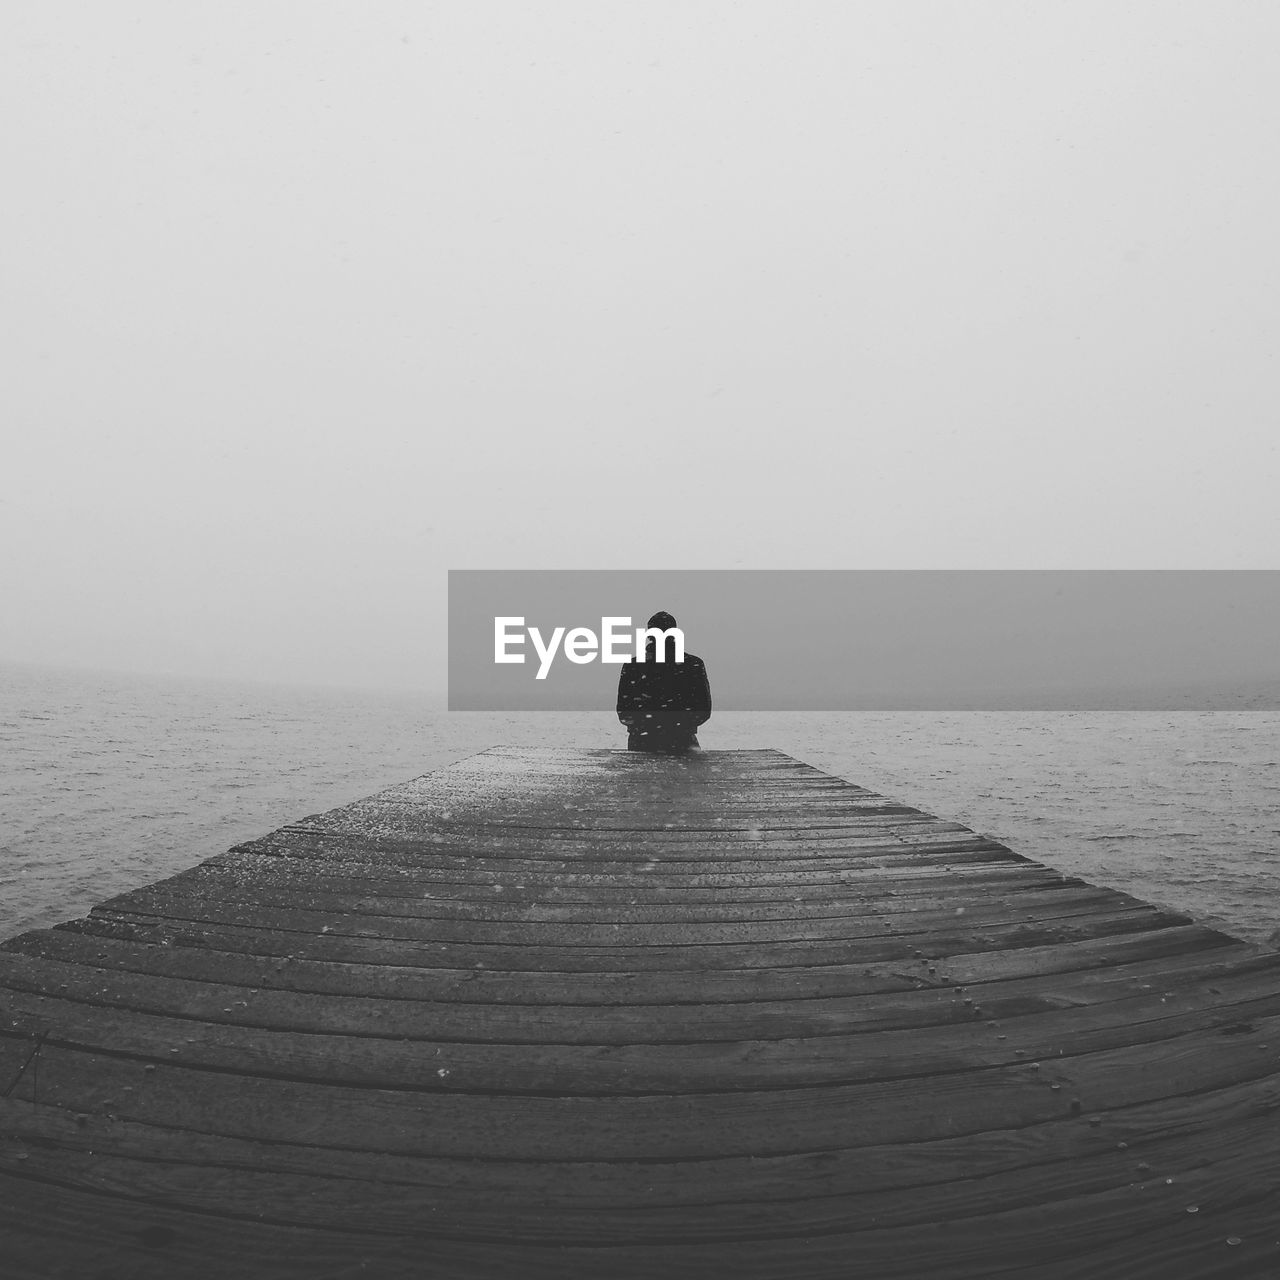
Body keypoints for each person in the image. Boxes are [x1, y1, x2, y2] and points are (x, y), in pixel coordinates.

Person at [616, 611, 711, 753]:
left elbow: (624, 710)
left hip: (642, 742)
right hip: (682, 741)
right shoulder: (692, 664)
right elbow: (703, 709)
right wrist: (680, 725)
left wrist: (644, 725)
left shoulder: (633, 666)